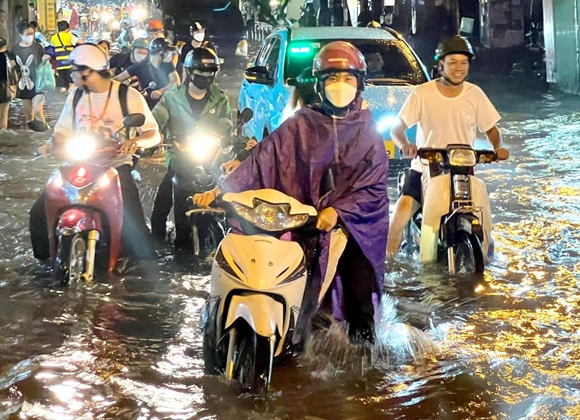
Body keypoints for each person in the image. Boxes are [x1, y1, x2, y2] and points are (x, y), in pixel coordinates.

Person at [194, 41, 388, 345]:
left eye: (347, 79)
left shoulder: (368, 132)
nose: (340, 86)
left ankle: (362, 365)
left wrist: (338, 212)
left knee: (359, 299)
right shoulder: (301, 124)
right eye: (332, 78)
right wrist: (220, 190)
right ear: (319, 84)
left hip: (351, 229)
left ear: (359, 83)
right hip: (302, 223)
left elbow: (373, 187)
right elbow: (263, 159)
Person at [29, 44, 161, 262]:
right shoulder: (76, 96)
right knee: (39, 211)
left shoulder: (128, 96)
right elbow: (62, 130)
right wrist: (52, 144)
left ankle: (140, 268)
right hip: (79, 163)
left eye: (74, 69)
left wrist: (135, 142)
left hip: (116, 165)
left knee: (132, 217)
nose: (71, 74)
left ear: (88, 71)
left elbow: (153, 133)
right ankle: (45, 262)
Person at [386, 35, 509, 259]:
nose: (459, 68)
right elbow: (397, 129)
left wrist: (498, 147)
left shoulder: (475, 94)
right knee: (400, 214)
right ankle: (388, 267)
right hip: (424, 168)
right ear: (440, 64)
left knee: (485, 221)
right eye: (453, 62)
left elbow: (491, 129)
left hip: (462, 171)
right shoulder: (422, 93)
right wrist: (406, 145)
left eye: (464, 63)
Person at [151, 47, 233, 247]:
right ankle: (156, 245)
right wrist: (154, 135)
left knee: (231, 199)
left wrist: (226, 140)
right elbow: (155, 120)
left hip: (210, 161)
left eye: (210, 75)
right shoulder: (171, 98)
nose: (206, 79)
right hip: (179, 161)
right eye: (201, 75)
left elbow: (226, 128)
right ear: (188, 73)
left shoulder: (221, 99)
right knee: (160, 210)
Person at [115, 38, 179, 108]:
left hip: (169, 102)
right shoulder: (139, 67)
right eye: (167, 52)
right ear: (159, 52)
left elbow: (176, 82)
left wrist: (161, 91)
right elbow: (117, 79)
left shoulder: (167, 64)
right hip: (149, 106)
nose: (170, 55)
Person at [10, 21, 50, 127]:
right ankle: (32, 137)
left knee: (38, 111)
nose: (30, 36)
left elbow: (42, 64)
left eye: (32, 33)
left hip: (38, 83)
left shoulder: (38, 47)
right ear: (20, 35)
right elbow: (13, 68)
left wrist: (45, 60)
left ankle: (46, 135)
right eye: (28, 34)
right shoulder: (15, 49)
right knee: (29, 115)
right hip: (23, 84)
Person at [51, 20, 76, 91]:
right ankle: (70, 96)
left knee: (63, 83)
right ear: (67, 28)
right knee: (71, 82)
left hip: (60, 64)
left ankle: (62, 97)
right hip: (69, 64)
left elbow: (52, 47)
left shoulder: (54, 37)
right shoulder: (70, 36)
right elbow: (80, 42)